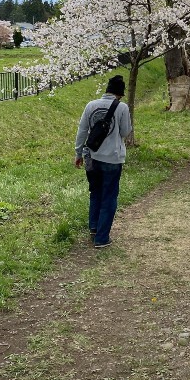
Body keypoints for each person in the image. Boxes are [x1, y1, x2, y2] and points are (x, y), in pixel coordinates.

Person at [75, 74, 132, 249]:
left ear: (107, 90)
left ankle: (93, 228)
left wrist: (78, 153)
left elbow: (82, 130)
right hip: (112, 158)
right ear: (119, 94)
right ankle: (102, 237)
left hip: (91, 156)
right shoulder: (122, 108)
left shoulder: (91, 105)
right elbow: (125, 132)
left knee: (95, 193)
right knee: (109, 196)